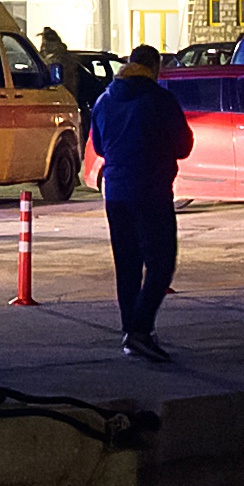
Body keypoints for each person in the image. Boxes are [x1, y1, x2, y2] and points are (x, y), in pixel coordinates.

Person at [85, 44, 194, 365]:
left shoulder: (105, 100)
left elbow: (101, 146)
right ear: (155, 68)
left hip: (115, 193)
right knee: (161, 264)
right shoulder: (160, 100)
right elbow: (183, 145)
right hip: (151, 191)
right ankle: (140, 331)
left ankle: (130, 331)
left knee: (128, 266)